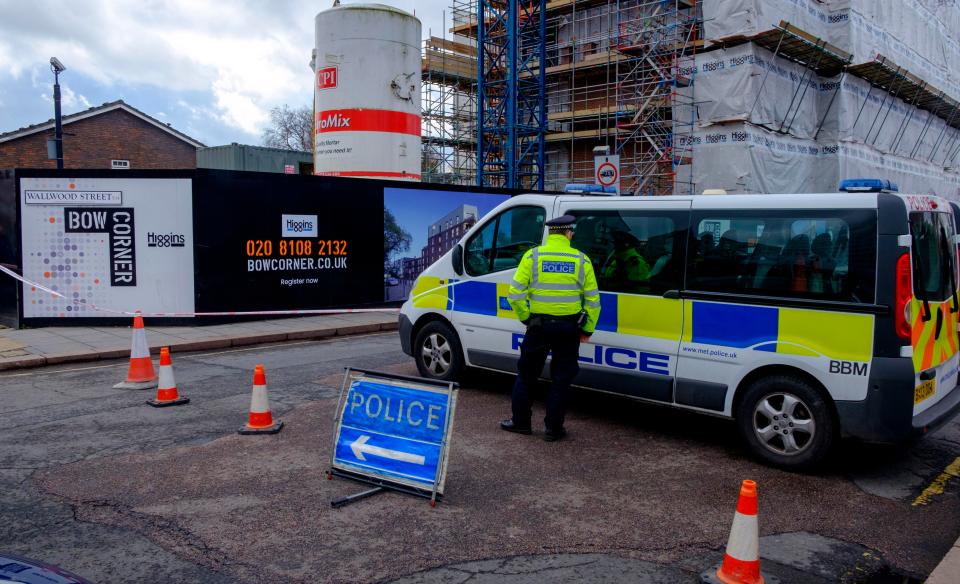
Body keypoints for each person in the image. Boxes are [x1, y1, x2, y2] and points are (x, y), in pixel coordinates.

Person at [500, 215, 601, 441]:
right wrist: (587, 329)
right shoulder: (581, 260)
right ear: (568, 233)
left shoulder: (533, 256)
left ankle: (521, 423)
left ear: (549, 233)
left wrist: (527, 319)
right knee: (562, 379)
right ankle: (554, 429)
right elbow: (593, 301)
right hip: (569, 328)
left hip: (539, 326)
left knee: (526, 376)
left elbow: (515, 295)